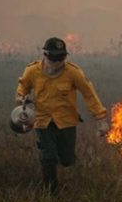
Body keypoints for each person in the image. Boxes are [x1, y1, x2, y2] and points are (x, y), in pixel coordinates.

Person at [15, 37, 109, 193]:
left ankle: (62, 168)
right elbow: (22, 87)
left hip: (66, 122)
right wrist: (21, 99)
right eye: (54, 57)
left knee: (67, 160)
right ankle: (52, 193)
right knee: (48, 156)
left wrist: (101, 120)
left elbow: (89, 95)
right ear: (45, 55)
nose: (58, 62)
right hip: (42, 121)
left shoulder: (73, 72)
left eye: (61, 57)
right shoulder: (32, 71)